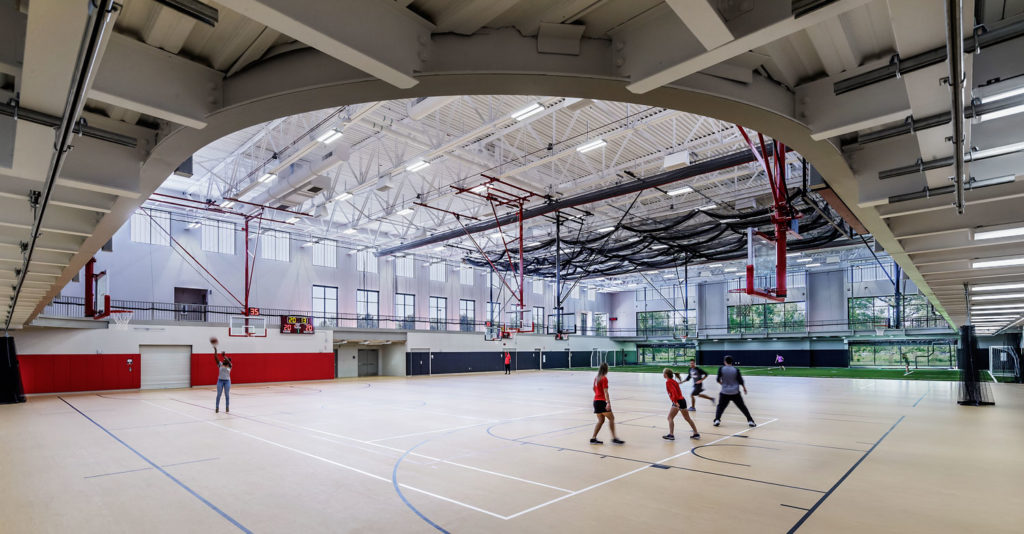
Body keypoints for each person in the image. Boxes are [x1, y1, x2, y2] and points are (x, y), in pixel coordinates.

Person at [714, 356, 755, 428]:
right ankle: (750, 421)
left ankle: (717, 420)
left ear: (725, 361)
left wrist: (723, 385)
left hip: (724, 392)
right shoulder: (736, 370)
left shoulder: (721, 369)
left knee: (720, 407)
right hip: (735, 392)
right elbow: (740, 380)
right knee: (742, 407)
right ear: (731, 362)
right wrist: (744, 388)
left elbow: (717, 379)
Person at [590, 362, 624, 445]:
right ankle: (614, 438)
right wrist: (608, 402)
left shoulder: (596, 378)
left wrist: (598, 395)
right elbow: (606, 392)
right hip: (601, 402)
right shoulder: (604, 378)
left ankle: (593, 438)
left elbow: (593, 389)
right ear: (606, 369)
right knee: (611, 419)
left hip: (596, 401)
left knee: (601, 420)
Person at [663, 368, 699, 440]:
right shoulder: (674, 381)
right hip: (682, 400)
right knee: (687, 418)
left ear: (666, 375)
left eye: (663, 373)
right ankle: (696, 433)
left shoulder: (668, 382)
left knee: (670, 418)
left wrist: (675, 402)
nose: (663, 375)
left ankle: (671, 435)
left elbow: (674, 392)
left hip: (677, 401)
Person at [214, 348, 232, 414]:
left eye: (225, 360)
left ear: (228, 361)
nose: (223, 360)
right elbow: (216, 358)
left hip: (227, 381)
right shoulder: (220, 364)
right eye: (223, 359)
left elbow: (229, 362)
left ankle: (227, 407)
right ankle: (217, 407)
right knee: (218, 394)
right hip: (220, 381)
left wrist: (224, 356)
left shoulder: (230, 366)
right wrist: (215, 351)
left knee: (227, 395)